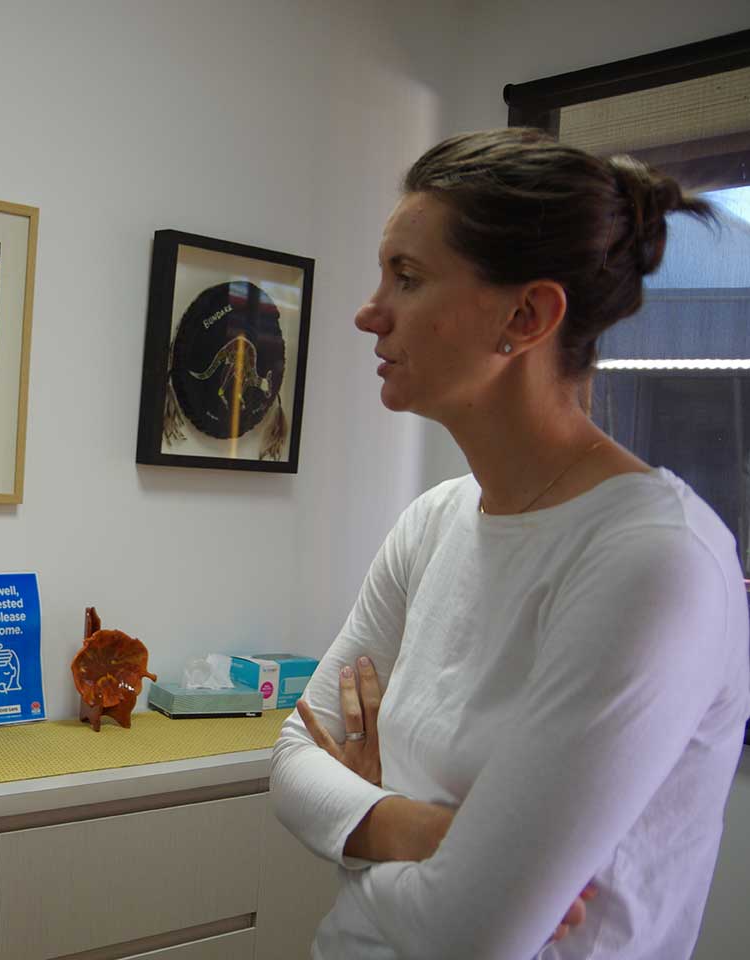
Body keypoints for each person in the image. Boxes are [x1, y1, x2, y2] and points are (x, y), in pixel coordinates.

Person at [267, 129, 750, 960]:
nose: (369, 312)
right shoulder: (434, 522)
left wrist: (352, 837)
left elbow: (472, 934)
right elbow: (291, 759)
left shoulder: (654, 561)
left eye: (407, 277)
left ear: (526, 317)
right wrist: (415, 830)